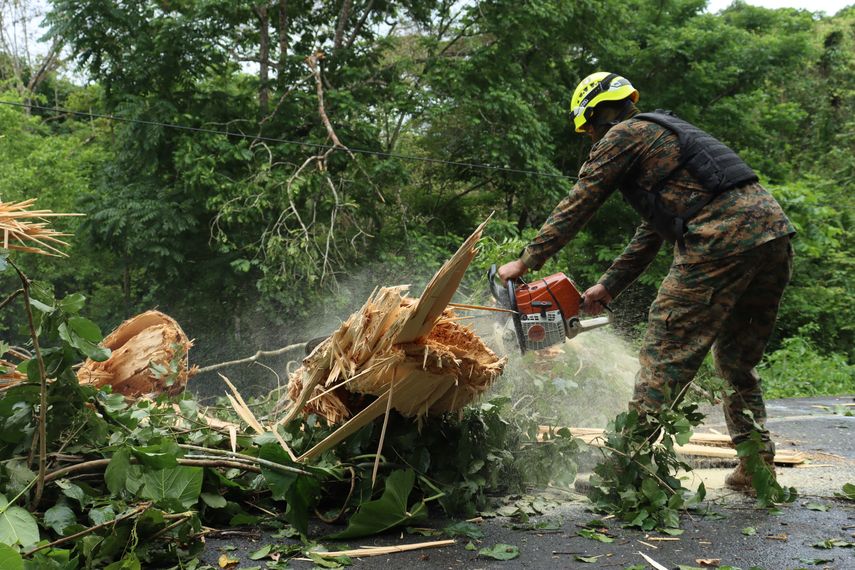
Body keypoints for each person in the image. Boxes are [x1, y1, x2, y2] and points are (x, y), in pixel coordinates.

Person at [497, 72, 795, 490]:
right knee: (736, 362)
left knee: (664, 355)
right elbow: (653, 231)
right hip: (773, 239)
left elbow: (581, 200)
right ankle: (756, 467)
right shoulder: (666, 135)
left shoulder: (624, 135)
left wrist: (527, 260)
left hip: (718, 242)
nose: (591, 138)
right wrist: (610, 285)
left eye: (589, 129)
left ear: (597, 113)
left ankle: (623, 469)